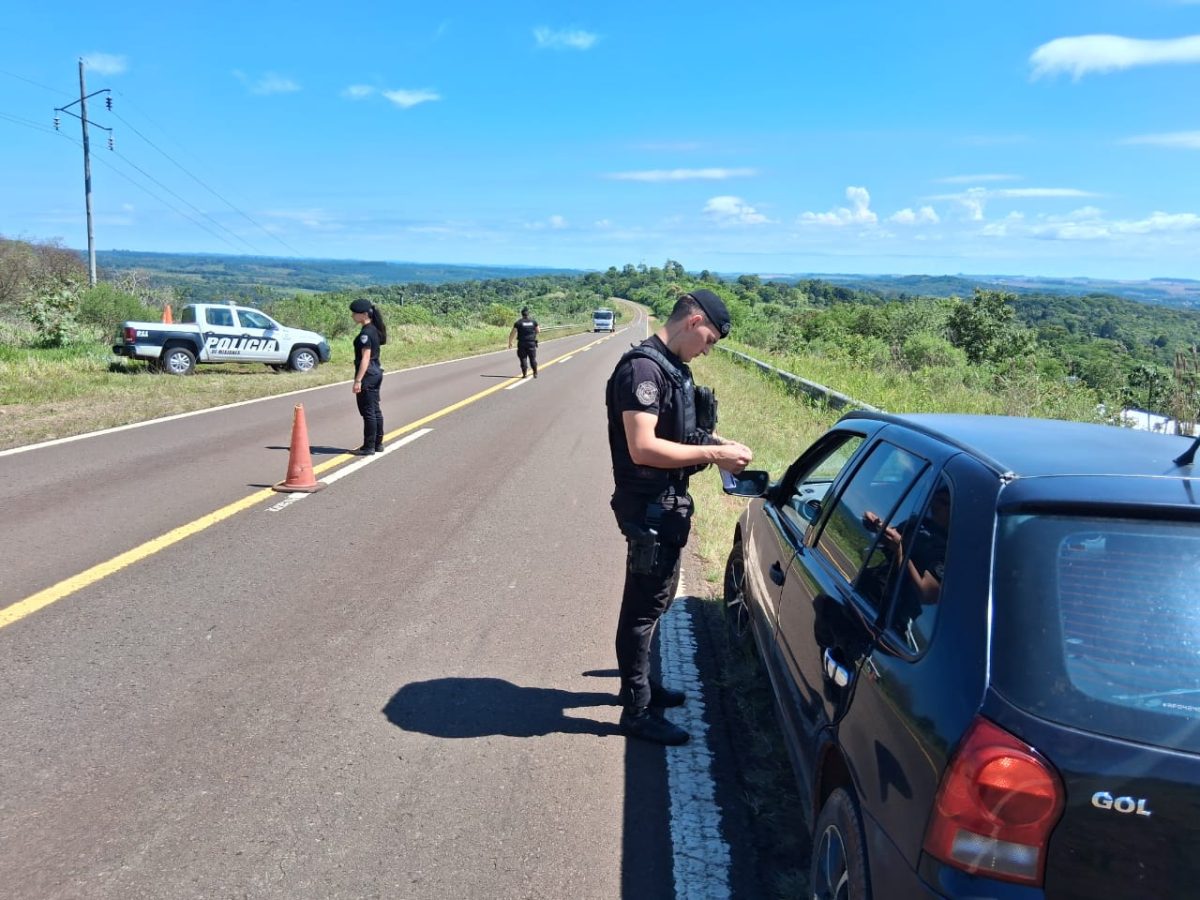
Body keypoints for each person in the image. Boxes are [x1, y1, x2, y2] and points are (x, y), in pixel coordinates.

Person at [605, 289, 754, 745]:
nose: (708, 349)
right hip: (648, 505)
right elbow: (643, 447)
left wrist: (719, 444)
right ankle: (636, 710)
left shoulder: (672, 369)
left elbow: (681, 432)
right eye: (709, 339)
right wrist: (713, 453)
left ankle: (642, 687)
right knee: (643, 608)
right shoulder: (643, 370)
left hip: (666, 504)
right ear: (693, 321)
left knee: (661, 598)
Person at [349, 297, 387, 455]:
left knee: (368, 411)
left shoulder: (366, 333)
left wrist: (358, 380)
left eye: (355, 313)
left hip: (368, 374)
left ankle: (369, 446)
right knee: (375, 410)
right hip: (376, 372)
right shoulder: (374, 329)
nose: (352, 316)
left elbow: (365, 358)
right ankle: (378, 443)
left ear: (364, 314)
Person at [507, 307, 540, 378]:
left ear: (521, 314)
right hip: (531, 343)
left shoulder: (518, 323)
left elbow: (512, 333)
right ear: (528, 314)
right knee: (532, 358)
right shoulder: (533, 322)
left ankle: (524, 374)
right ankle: (535, 373)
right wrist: (532, 335)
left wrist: (510, 342)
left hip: (522, 343)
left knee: (523, 358)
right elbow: (538, 331)